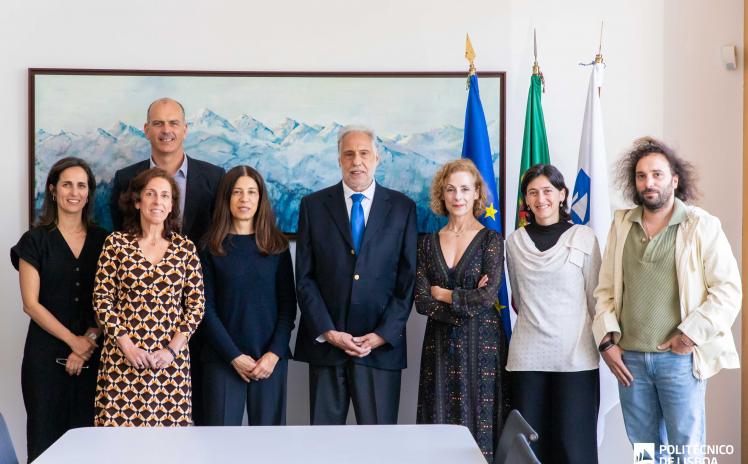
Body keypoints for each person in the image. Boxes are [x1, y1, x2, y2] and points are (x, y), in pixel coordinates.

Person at [593, 137, 741, 462]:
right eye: (642, 175)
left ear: (674, 179)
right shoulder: (621, 225)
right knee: (645, 453)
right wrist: (607, 342)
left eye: (657, 174)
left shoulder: (700, 225)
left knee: (685, 451)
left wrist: (689, 336)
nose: (649, 182)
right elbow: (604, 291)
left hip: (679, 361)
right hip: (629, 361)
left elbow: (728, 290)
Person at [109, 97, 223, 425]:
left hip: (202, 311)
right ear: (146, 130)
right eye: (158, 123)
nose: (166, 130)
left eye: (173, 123)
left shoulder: (214, 178)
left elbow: (219, 240)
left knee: (198, 415)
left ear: (185, 130)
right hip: (137, 325)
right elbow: (124, 247)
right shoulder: (125, 178)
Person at [294, 125, 417, 425]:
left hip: (379, 349)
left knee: (379, 450)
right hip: (328, 347)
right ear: (339, 160)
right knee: (324, 448)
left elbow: (407, 280)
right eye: (349, 154)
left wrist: (381, 335)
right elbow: (305, 278)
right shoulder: (313, 206)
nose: (356, 161)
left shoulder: (403, 208)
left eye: (363, 153)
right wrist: (329, 332)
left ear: (377, 157)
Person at [11, 157, 108, 461]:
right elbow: (30, 304)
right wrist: (73, 342)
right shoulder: (34, 241)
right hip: (43, 362)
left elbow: (111, 302)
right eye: (67, 184)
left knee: (91, 446)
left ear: (89, 193)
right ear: (53, 189)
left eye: (82, 185)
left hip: (96, 360)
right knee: (45, 443)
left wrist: (87, 343)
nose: (74, 192)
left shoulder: (105, 241)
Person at [94, 168, 205, 426]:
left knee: (169, 447)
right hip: (122, 360)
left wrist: (171, 350)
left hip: (170, 364)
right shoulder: (116, 244)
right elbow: (102, 300)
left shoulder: (185, 248)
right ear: (137, 201)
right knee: (117, 446)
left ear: (171, 205)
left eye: (165, 196)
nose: (158, 201)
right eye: (151, 194)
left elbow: (196, 306)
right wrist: (128, 347)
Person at [414, 159, 509, 462]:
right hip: (439, 346)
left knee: (480, 423)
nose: (458, 196)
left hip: (482, 347)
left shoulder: (491, 240)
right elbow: (421, 301)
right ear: (442, 194)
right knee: (438, 419)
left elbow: (487, 297)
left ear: (477, 193)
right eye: (451, 189)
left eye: (465, 189)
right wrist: (464, 298)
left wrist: (442, 293)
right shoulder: (427, 243)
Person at [505, 164, 601, 464]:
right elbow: (518, 299)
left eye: (548, 191)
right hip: (526, 360)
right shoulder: (514, 242)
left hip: (576, 359)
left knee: (574, 447)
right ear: (526, 200)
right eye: (532, 192)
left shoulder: (584, 237)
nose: (540, 198)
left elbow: (596, 298)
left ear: (562, 194)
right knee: (529, 449)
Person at [200, 166, 297, 426]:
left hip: (270, 360)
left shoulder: (276, 246)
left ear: (260, 198)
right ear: (226, 198)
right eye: (237, 192)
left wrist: (274, 354)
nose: (245, 199)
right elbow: (205, 310)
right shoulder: (209, 247)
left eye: (252, 192)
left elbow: (288, 307)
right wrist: (233, 355)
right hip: (222, 359)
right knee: (219, 445)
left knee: (268, 446)